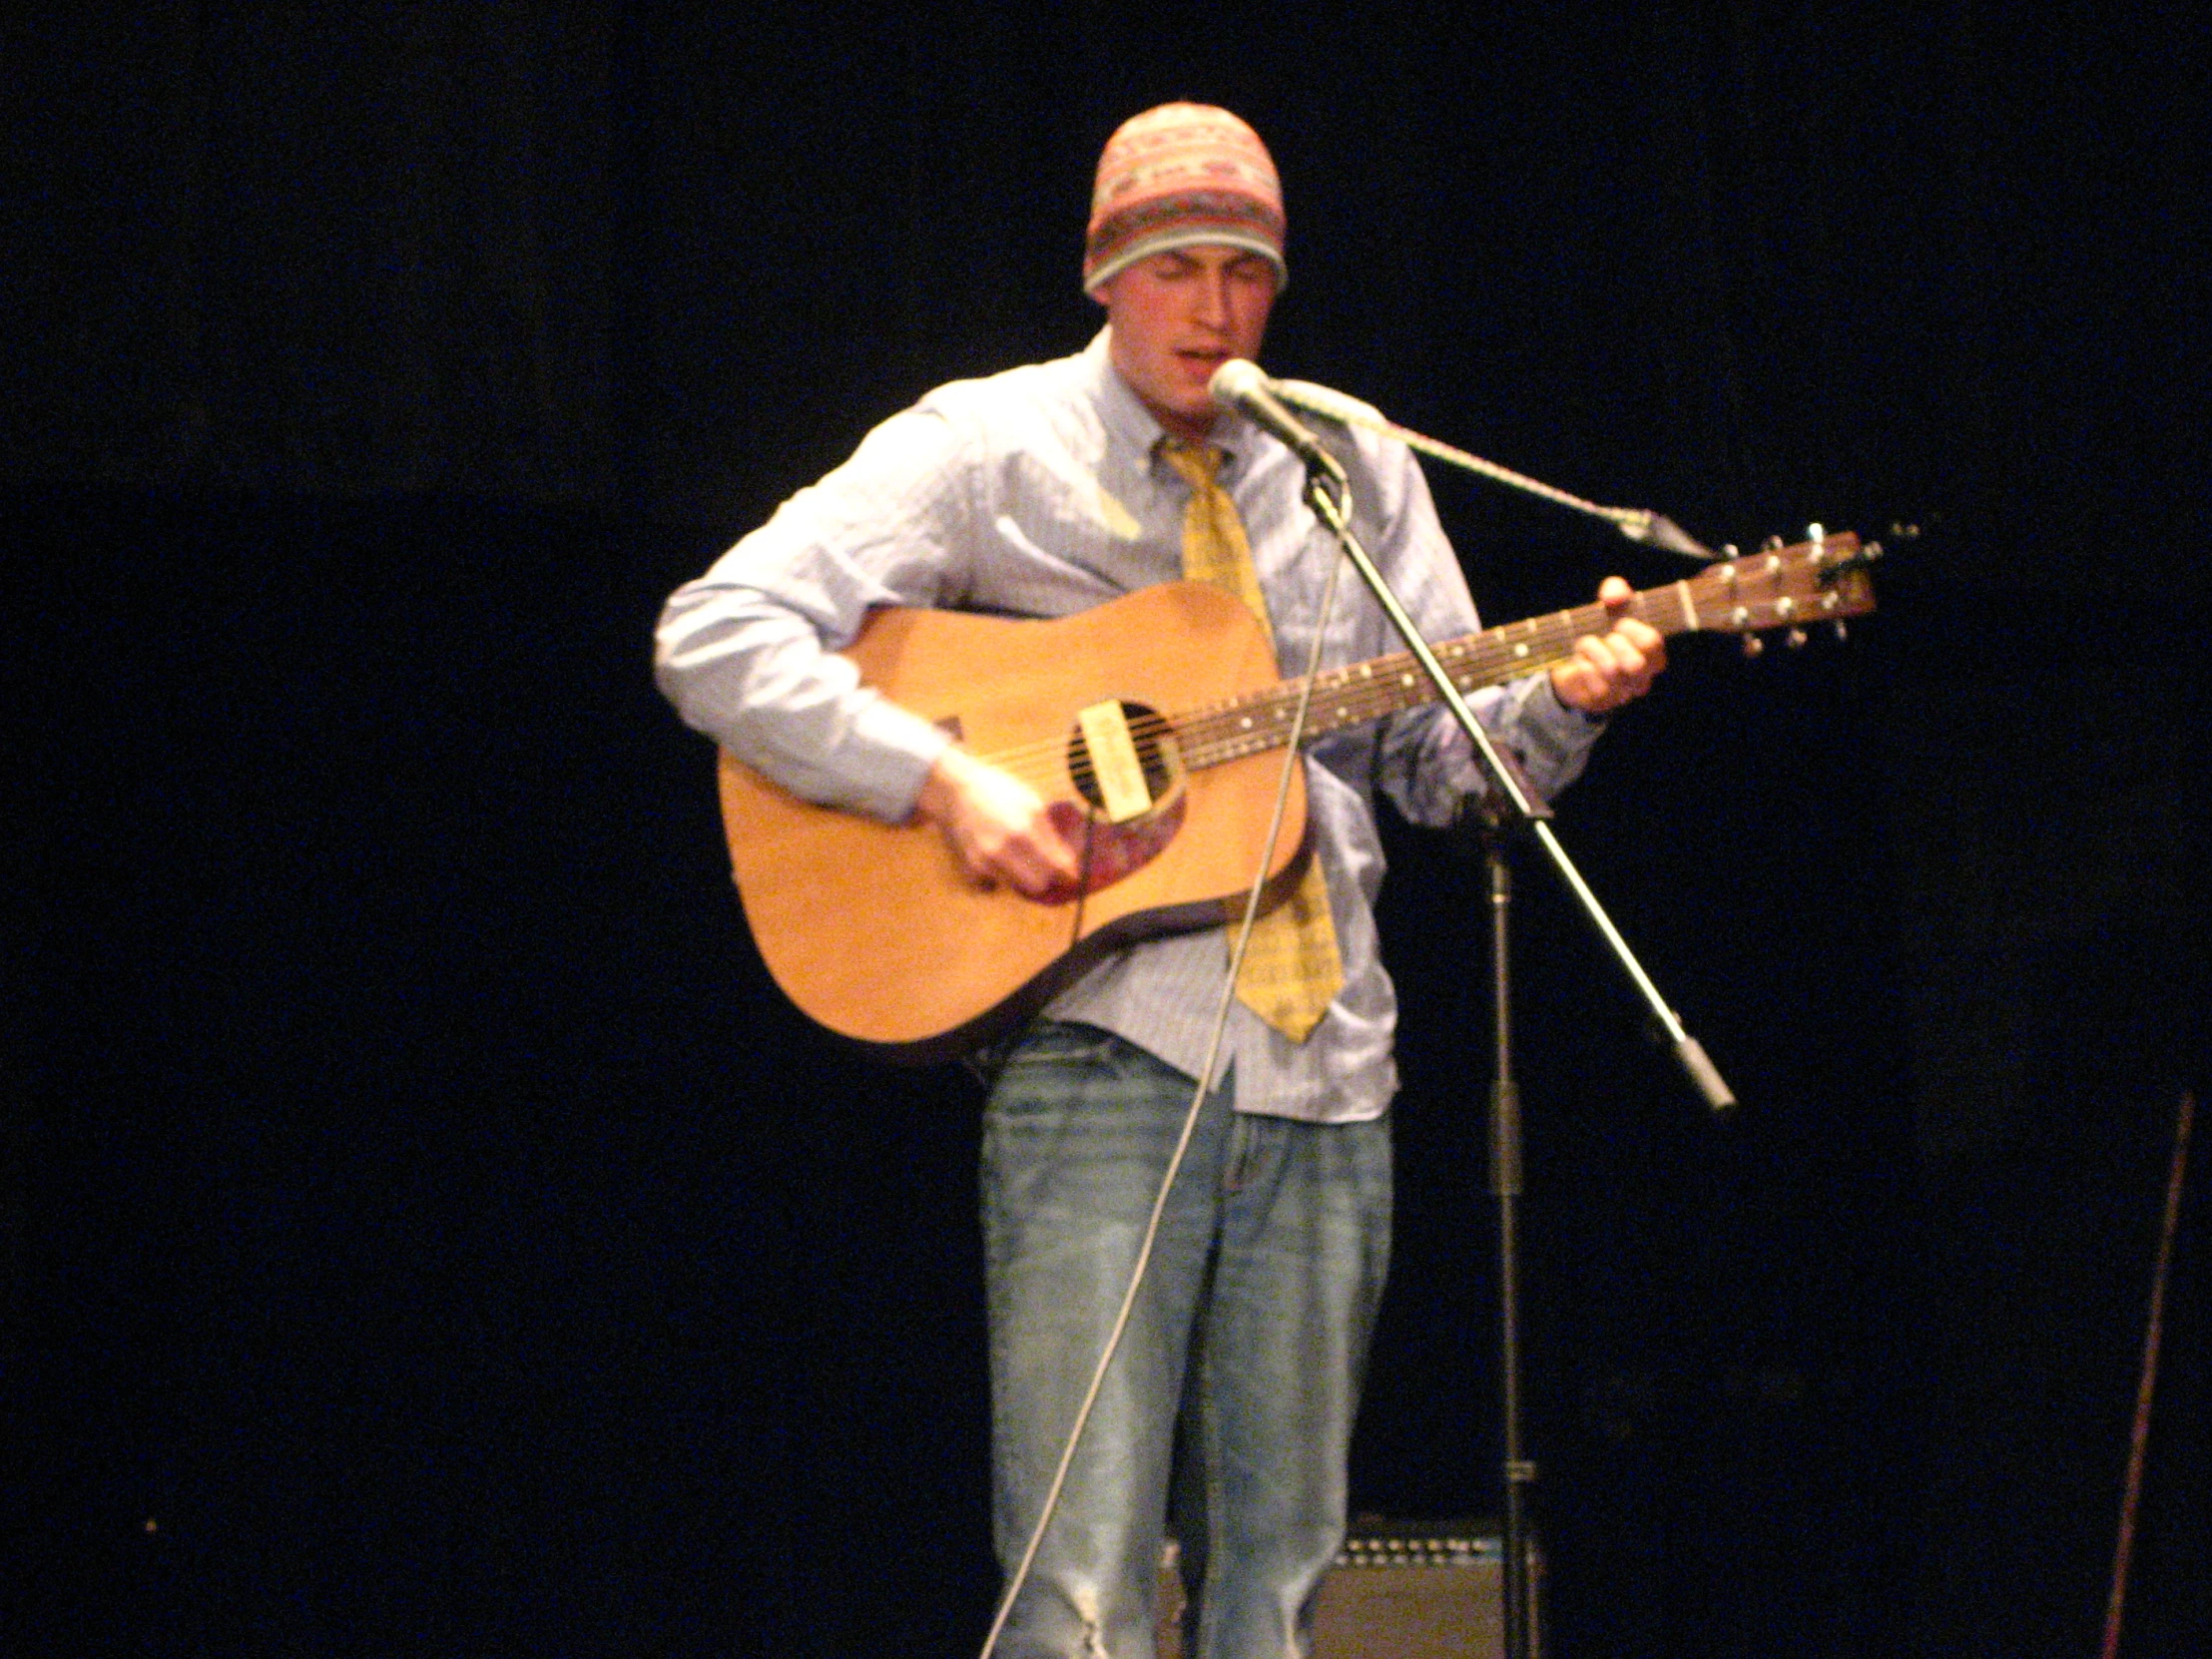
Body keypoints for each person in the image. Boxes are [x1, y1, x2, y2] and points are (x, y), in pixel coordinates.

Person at [656, 103, 1662, 1659]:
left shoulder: (1350, 457)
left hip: (1332, 1070)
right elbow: (714, 631)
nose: (1217, 308)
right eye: (1180, 267)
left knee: (1280, 1580)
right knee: (1080, 1584)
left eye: (1249, 272)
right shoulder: (988, 449)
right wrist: (947, 778)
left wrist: (1567, 705)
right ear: (1105, 274)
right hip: (1104, 1062)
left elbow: (1448, 771)